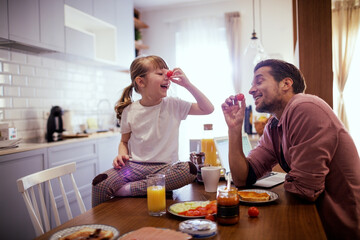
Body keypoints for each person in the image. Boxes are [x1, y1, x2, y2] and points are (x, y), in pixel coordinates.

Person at [221, 59, 360, 239]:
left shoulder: (305, 107)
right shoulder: (274, 125)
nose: (251, 90)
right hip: (311, 220)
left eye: (259, 80)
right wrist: (234, 129)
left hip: (339, 229)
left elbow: (304, 190)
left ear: (286, 84)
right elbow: (242, 177)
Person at [92, 55, 214, 207]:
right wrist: (121, 153)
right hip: (134, 167)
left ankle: (130, 189)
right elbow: (124, 141)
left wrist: (187, 85)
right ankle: (100, 227)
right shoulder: (129, 110)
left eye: (167, 73)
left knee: (189, 170)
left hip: (165, 168)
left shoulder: (174, 105)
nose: (167, 77)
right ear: (141, 81)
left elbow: (208, 109)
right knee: (100, 184)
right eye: (160, 74)